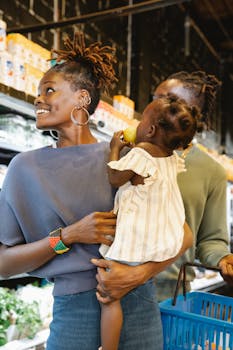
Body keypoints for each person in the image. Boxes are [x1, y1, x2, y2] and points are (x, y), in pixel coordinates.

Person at [0, 32, 192, 350]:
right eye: (38, 92)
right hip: (73, 313)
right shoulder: (24, 169)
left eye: (49, 90)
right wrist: (67, 237)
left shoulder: (127, 159)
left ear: (82, 99)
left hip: (139, 305)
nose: (38, 99)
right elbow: (4, 264)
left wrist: (137, 275)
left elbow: (182, 234)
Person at [91, 70, 233, 307]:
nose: (154, 105)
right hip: (109, 281)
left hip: (170, 295)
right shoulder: (129, 153)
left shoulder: (212, 172)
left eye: (167, 99)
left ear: (190, 112)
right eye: (154, 97)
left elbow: (210, 240)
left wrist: (223, 259)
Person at [98, 93, 199, 350]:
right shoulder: (169, 158)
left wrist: (114, 148)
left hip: (134, 242)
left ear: (151, 129)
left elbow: (115, 177)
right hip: (158, 241)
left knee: (110, 298)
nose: (138, 124)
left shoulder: (141, 154)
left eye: (142, 119)